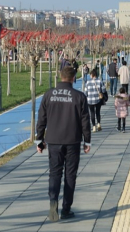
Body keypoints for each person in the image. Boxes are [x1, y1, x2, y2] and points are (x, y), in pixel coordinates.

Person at [36, 66, 91, 222]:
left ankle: (53, 202)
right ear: (74, 78)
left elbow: (41, 119)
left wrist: (39, 140)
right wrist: (87, 140)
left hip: (53, 140)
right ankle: (66, 208)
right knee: (70, 175)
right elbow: (85, 121)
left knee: (55, 173)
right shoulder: (79, 96)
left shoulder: (48, 95)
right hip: (72, 140)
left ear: (60, 77)